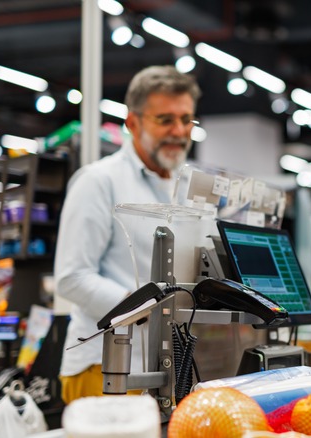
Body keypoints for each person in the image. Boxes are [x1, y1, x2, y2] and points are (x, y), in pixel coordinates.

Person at [55, 65, 200, 404]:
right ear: (132, 122)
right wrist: (146, 307)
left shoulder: (187, 188)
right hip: (105, 369)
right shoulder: (98, 181)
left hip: (169, 368)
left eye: (186, 120)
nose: (178, 131)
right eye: (165, 120)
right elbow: (72, 277)